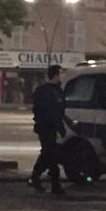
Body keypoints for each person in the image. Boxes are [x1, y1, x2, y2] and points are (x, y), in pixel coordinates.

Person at [29, 64, 67, 195]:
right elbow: (43, 110)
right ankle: (54, 183)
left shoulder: (57, 90)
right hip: (46, 127)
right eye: (60, 73)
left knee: (47, 153)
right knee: (51, 154)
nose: (62, 76)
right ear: (55, 75)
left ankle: (35, 177)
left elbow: (60, 111)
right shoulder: (45, 91)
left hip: (52, 127)